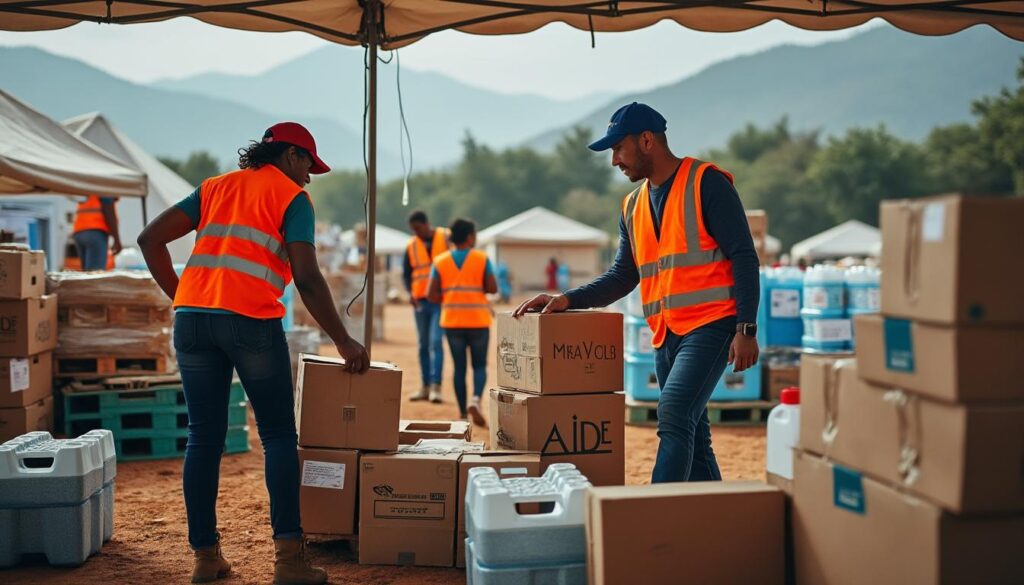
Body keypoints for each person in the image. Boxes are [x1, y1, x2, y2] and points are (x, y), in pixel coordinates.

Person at [138, 122, 369, 585]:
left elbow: (150, 239)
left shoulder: (214, 187)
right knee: (279, 436)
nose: (308, 178)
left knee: (203, 439)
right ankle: (289, 561)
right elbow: (305, 276)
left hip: (193, 321)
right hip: (250, 322)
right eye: (308, 166)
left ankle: (205, 557)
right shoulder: (291, 197)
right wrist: (344, 339)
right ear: (289, 156)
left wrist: (183, 297)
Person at [515, 102, 760, 484]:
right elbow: (621, 276)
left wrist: (746, 329)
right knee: (693, 431)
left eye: (618, 149)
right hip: (665, 333)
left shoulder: (706, 183)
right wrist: (566, 299)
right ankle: (716, 516)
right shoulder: (632, 206)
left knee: (674, 413)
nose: (614, 161)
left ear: (647, 141)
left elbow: (745, 256)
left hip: (713, 325)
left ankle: (652, 515)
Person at [427, 218, 496, 426]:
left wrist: (449, 297)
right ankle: (475, 400)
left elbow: (431, 294)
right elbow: (492, 288)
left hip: (452, 322)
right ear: (469, 237)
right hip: (478, 321)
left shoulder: (440, 261)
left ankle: (462, 414)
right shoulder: (481, 258)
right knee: (479, 365)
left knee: (459, 368)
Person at [403, 210, 449, 403]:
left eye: (418, 228)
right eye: (413, 230)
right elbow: (406, 273)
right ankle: (425, 386)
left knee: (436, 342)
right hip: (420, 301)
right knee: (423, 345)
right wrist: (409, 293)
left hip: (440, 300)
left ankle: (436, 386)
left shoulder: (446, 237)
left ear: (426, 223)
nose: (416, 233)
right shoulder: (411, 245)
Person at [72, 195, 122, 270]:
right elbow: (108, 210)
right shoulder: (105, 187)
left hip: (79, 230)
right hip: (95, 231)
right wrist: (117, 239)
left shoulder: (91, 187)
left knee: (87, 273)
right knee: (95, 274)